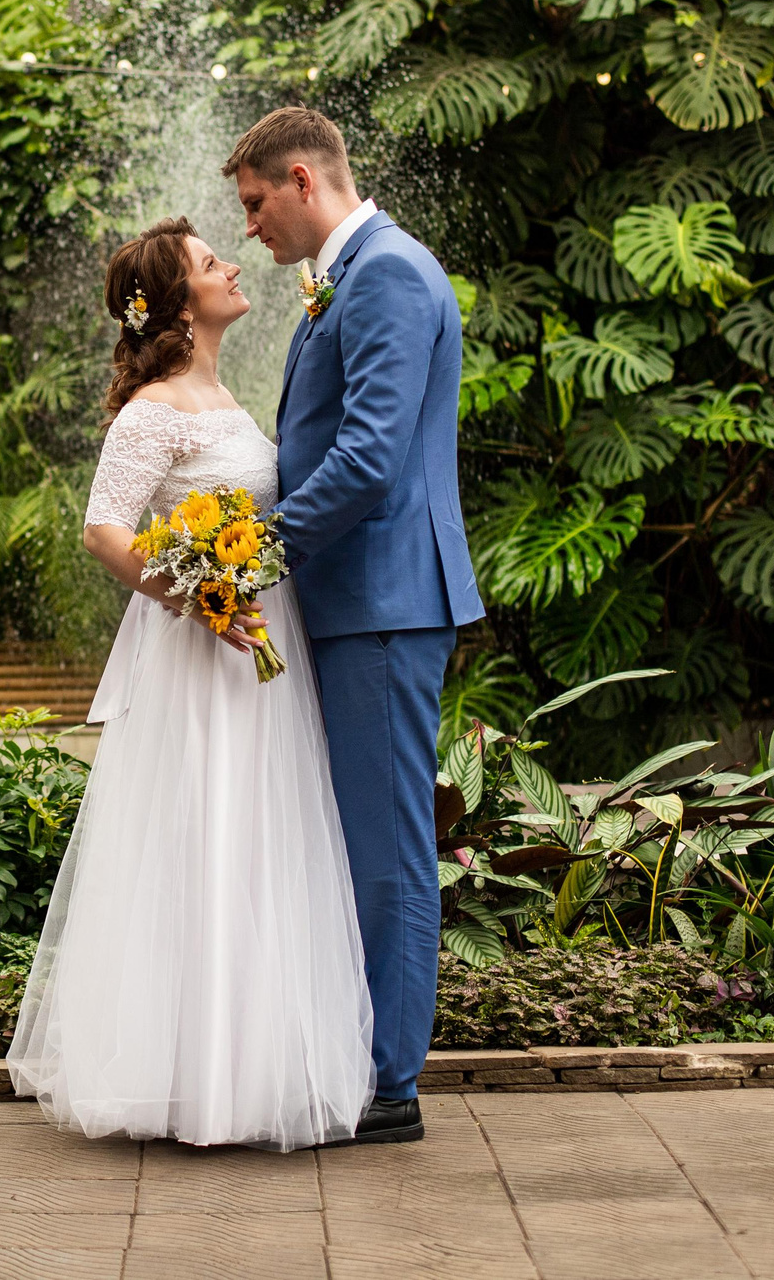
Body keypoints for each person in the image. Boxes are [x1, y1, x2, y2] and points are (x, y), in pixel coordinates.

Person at [5, 215, 375, 1151]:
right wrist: (198, 597)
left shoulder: (223, 395)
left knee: (257, 845)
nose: (234, 265)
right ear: (178, 305)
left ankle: (246, 1072)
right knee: (205, 839)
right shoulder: (154, 409)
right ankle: (189, 1083)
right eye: (213, 263)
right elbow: (103, 528)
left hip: (258, 649)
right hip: (202, 658)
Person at [228, 105, 483, 1146]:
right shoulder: (351, 274)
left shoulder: (385, 274)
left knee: (386, 849)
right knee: (361, 841)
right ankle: (365, 1060)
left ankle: (390, 1084)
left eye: (255, 203)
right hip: (356, 603)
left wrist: (254, 553)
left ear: (301, 178)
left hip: (382, 600)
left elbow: (370, 458)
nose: (249, 226)